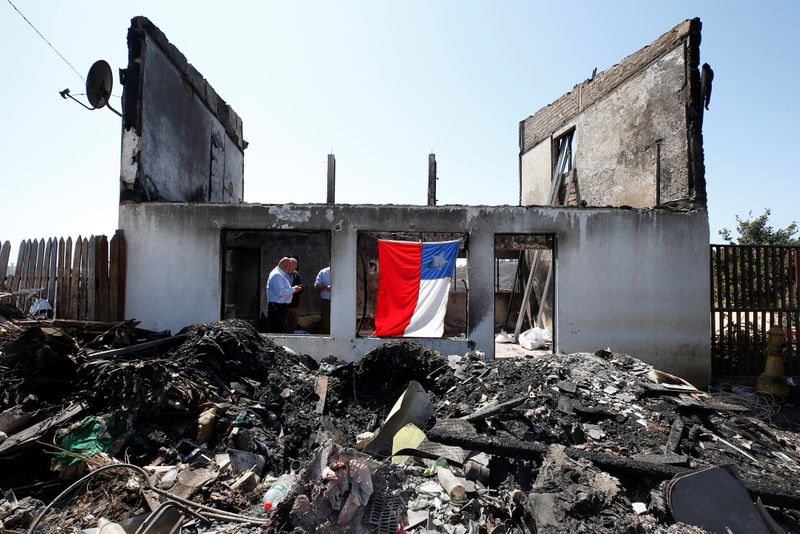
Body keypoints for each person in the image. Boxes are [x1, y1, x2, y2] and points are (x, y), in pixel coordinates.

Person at [266, 257, 302, 333]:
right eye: (290, 266)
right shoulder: (277, 275)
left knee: (280, 329)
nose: (291, 269)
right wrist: (294, 289)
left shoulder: (280, 274)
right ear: (285, 265)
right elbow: (280, 292)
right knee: (277, 330)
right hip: (277, 307)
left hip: (280, 307)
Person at [285, 257, 304, 333]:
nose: (293, 267)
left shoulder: (296, 275)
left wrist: (301, 288)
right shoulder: (282, 274)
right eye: (292, 265)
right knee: (283, 322)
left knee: (293, 323)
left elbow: (300, 285)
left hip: (294, 303)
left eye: (295, 265)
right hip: (284, 303)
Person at [314, 266, 331, 333]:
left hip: (340, 301)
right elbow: (316, 285)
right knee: (326, 321)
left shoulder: (343, 271)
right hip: (326, 301)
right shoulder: (323, 272)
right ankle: (326, 338)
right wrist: (326, 287)